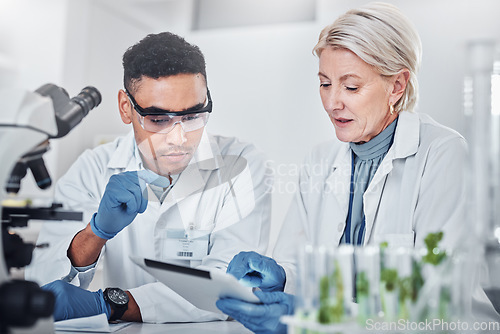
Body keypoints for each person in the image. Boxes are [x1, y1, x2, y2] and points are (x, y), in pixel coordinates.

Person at [216, 3, 498, 333]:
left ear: (397, 86)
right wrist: (281, 276)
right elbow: (300, 267)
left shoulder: (441, 153)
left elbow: (433, 306)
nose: (333, 102)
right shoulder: (320, 162)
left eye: (351, 86)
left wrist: (310, 317)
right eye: (324, 83)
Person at [25, 32, 272, 323]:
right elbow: (45, 284)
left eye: (193, 116)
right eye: (158, 119)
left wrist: (111, 304)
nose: (179, 137)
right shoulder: (93, 168)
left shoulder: (241, 164)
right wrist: (96, 234)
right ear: (126, 108)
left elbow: (229, 286)